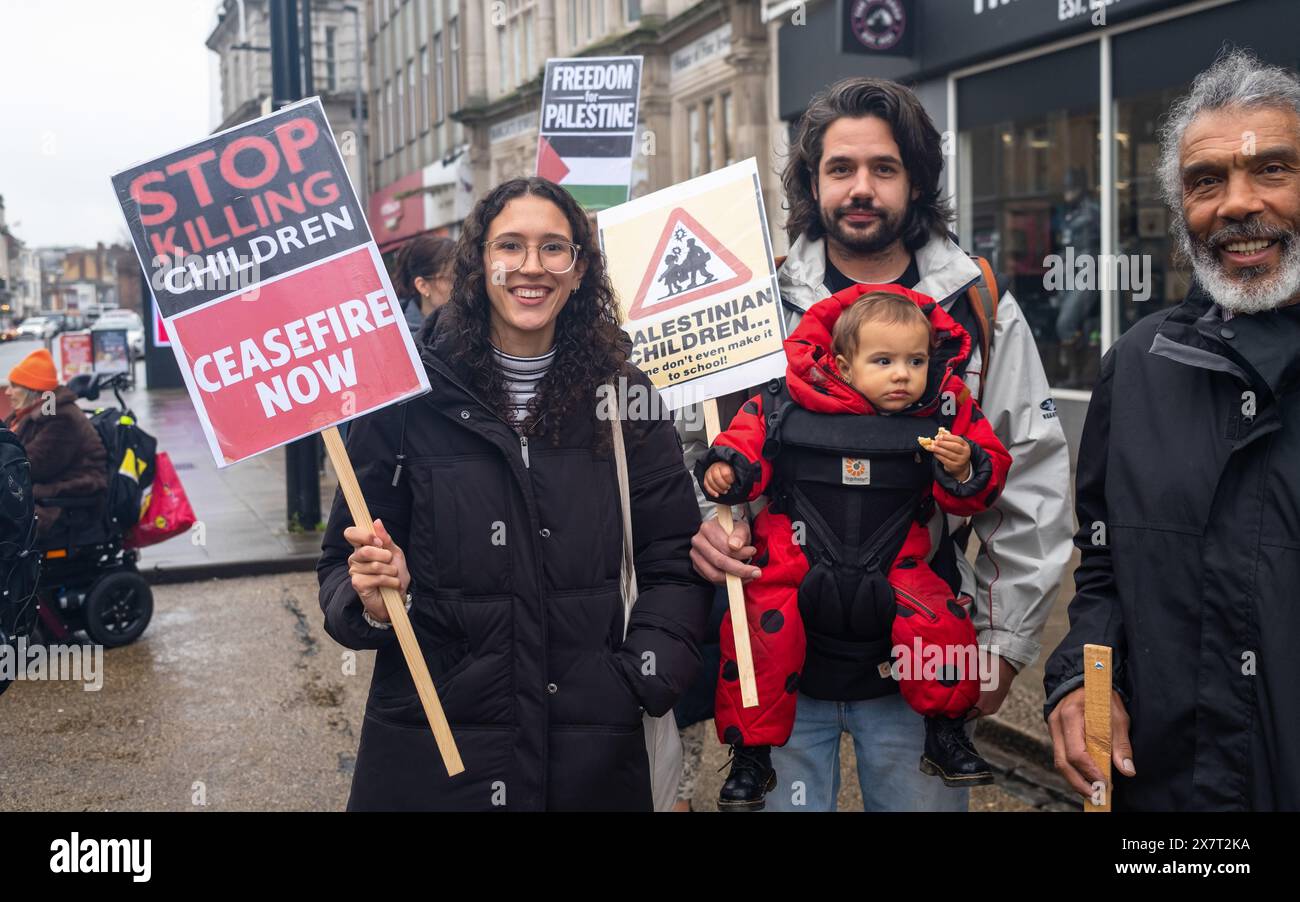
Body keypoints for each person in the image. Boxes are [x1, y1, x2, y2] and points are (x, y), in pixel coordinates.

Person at [681, 77, 1072, 811]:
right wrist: (706, 521)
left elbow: (1032, 480)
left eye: (883, 168)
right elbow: (695, 447)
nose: (861, 188)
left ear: (916, 180)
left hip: (919, 658)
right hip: (776, 659)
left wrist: (1006, 641)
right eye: (840, 169)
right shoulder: (752, 299)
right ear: (812, 181)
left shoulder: (976, 301)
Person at [317, 176, 712, 811]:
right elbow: (340, 566)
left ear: (580, 270)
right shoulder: (404, 397)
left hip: (593, 748)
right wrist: (370, 601)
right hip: (436, 745)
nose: (533, 266)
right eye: (511, 246)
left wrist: (644, 677)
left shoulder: (626, 398)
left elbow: (673, 559)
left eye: (555, 248)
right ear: (478, 262)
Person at [1044, 50, 1300, 811]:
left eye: (1274, 170)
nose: (1235, 204)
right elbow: (1101, 576)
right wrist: (1082, 684)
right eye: (1206, 182)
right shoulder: (1139, 366)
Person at [697, 286, 1010, 809]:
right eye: (883, 361)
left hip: (900, 560)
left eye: (915, 360)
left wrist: (966, 466)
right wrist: (727, 468)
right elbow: (746, 437)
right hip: (794, 558)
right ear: (842, 365)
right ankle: (752, 753)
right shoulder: (787, 397)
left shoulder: (944, 409)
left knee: (942, 623)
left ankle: (946, 731)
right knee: (757, 632)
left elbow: (989, 475)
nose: (902, 375)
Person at [3, 348, 107, 541]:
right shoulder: (27, 415)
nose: (7, 392)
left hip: (61, 508)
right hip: (35, 497)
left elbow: (31, 466)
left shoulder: (61, 418)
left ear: (32, 390)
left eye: (13, 386)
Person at [391, 233, 456, 332]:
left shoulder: (476, 323)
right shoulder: (404, 341)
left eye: (465, 276)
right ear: (423, 286)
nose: (463, 285)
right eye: (452, 279)